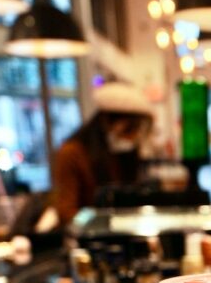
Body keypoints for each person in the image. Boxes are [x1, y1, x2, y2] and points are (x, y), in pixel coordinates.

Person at [50, 83, 153, 225]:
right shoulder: (72, 153)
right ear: (106, 122)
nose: (132, 137)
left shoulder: (122, 155)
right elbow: (66, 212)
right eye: (130, 128)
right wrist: (97, 220)